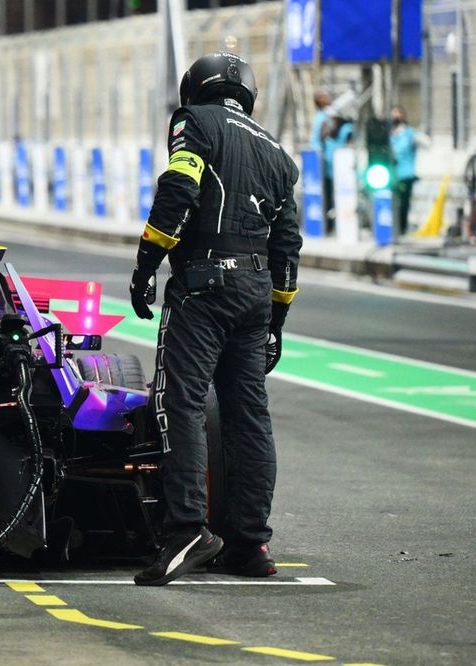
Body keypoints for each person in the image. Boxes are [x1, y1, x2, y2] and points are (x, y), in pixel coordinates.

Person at [128, 52, 301, 586]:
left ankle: (186, 531)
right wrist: (276, 320)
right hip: (254, 294)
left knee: (180, 403)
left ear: (194, 88)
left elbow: (179, 189)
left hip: (203, 285)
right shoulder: (278, 153)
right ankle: (250, 543)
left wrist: (146, 264)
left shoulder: (192, 122)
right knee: (250, 416)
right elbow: (288, 246)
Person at [389, 106, 428, 237]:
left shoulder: (409, 133)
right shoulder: (389, 134)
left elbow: (426, 143)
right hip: (391, 175)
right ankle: (392, 228)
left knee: (403, 203)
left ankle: (401, 229)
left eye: (398, 115)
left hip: (405, 174)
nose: (395, 118)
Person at [311, 91, 333, 229]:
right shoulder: (322, 118)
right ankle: (327, 224)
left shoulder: (324, 117)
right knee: (327, 196)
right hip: (324, 164)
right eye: (324, 97)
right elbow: (320, 136)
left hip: (328, 163)